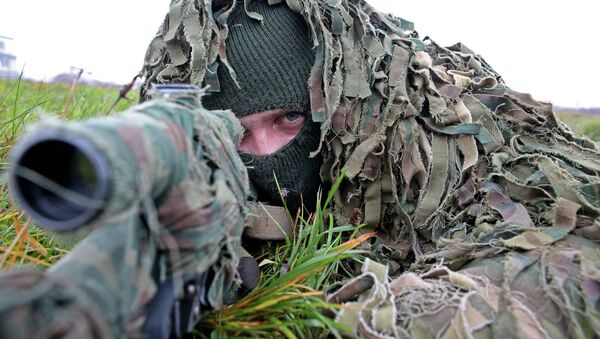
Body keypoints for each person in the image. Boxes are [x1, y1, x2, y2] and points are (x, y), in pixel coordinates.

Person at [2, 0, 599, 338]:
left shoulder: (438, 136)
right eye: (237, 132)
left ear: (337, 108)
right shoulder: (210, 175)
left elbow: (573, 264)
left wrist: (354, 324)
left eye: (289, 120)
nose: (263, 152)